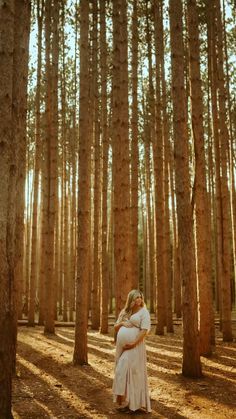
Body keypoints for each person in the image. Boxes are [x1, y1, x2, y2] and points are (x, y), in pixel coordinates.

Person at [112, 289, 151, 413]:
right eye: (136, 298)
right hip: (123, 348)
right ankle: (127, 402)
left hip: (135, 347)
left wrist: (133, 344)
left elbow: (144, 331)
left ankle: (135, 405)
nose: (139, 300)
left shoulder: (144, 312)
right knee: (121, 371)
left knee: (133, 373)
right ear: (131, 300)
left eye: (140, 297)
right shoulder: (125, 312)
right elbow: (116, 327)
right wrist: (123, 322)